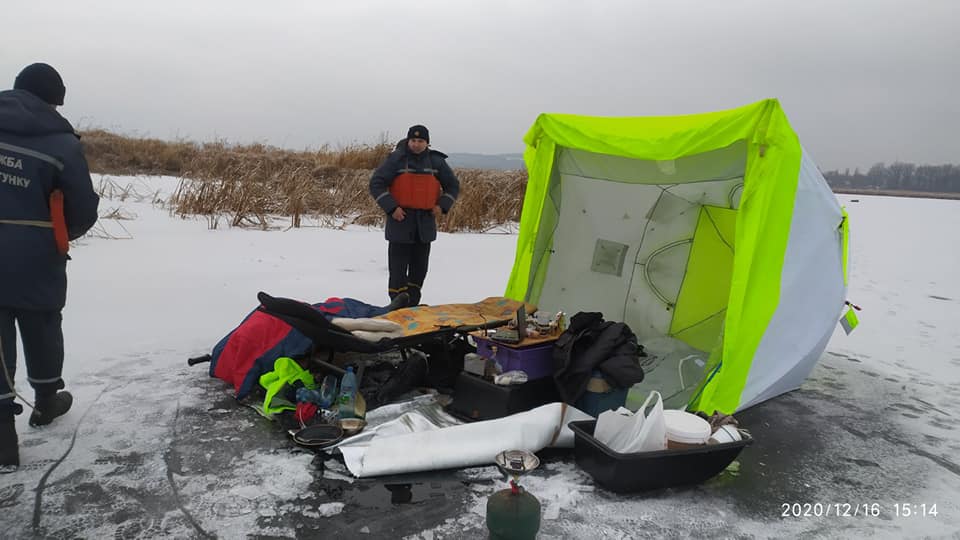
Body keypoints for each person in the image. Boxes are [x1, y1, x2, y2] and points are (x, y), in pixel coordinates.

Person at [0, 63, 100, 472]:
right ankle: (45, 400)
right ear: (53, 100)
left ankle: (3, 436)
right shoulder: (62, 144)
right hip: (37, 254)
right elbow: (84, 209)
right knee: (41, 322)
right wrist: (55, 236)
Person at [369, 125, 459, 306]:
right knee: (398, 270)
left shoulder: (436, 162)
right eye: (413, 140)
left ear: (427, 143)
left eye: (421, 141)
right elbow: (376, 183)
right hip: (400, 222)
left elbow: (453, 186)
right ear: (408, 141)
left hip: (424, 224)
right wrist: (392, 208)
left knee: (419, 269)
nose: (416, 144)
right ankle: (397, 306)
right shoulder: (396, 159)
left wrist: (442, 206)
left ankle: (413, 306)